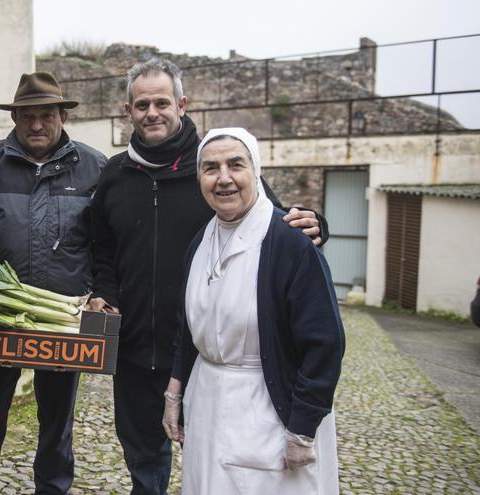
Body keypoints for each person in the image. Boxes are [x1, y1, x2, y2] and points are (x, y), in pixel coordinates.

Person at [87, 58, 328, 494]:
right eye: (141, 105)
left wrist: (315, 224)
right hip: (135, 349)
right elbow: (103, 247)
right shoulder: (114, 175)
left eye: (162, 102)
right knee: (143, 459)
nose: (152, 113)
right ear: (128, 112)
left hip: (202, 356)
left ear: (181, 104)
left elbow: (272, 217)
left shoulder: (214, 164)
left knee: (216, 463)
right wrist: (104, 289)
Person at [0, 72, 106, 494]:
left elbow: (108, 242)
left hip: (63, 322)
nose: (35, 125)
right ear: (14, 117)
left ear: (61, 115)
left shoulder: (94, 167)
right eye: (26, 116)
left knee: (57, 419)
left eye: (46, 115)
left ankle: (52, 489)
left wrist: (104, 293)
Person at [163, 127, 343, 494]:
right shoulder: (201, 241)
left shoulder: (290, 243)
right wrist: (174, 392)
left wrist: (303, 428)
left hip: (269, 411)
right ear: (199, 178)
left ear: (255, 171)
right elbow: (189, 329)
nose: (223, 178)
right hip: (208, 401)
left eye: (236, 165)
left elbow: (325, 343)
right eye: (210, 168)